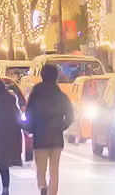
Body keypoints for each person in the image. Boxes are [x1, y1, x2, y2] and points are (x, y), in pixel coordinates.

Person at [23, 63, 74, 195]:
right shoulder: (61, 95)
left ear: (42, 75)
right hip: (56, 137)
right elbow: (70, 116)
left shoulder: (36, 93)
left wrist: (31, 128)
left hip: (40, 137)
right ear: (56, 76)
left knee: (41, 168)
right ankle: (52, 192)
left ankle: (42, 186)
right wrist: (61, 127)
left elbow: (28, 113)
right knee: (54, 168)